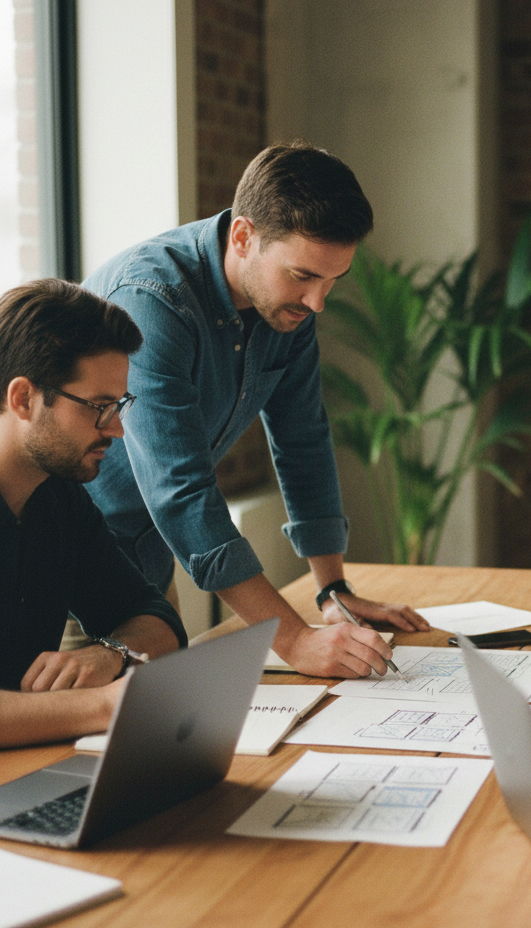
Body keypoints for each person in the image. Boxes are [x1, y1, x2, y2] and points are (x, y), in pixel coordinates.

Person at [82, 142, 429, 679]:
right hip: (62, 554)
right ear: (244, 237)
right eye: (303, 276)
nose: (317, 303)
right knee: (63, 747)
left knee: (162, 730)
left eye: (332, 281)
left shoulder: (290, 309)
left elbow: (303, 438)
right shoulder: (151, 299)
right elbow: (182, 490)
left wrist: (332, 588)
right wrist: (294, 642)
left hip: (145, 556)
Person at [0, 280, 187, 747]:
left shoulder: (60, 498)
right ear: (23, 399)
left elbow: (156, 618)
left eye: (119, 406)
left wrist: (109, 654)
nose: (118, 430)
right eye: (99, 408)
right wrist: (108, 705)